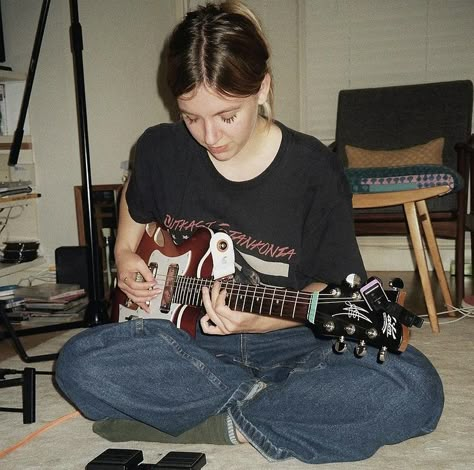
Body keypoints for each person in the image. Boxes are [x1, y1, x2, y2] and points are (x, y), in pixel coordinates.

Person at [55, 1, 443, 464]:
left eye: (226, 115)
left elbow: (334, 287)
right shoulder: (160, 148)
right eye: (191, 117)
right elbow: (133, 201)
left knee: (413, 388)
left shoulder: (313, 170)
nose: (209, 136)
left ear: (262, 88)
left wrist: (264, 320)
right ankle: (275, 411)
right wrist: (123, 253)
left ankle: (219, 419)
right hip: (184, 340)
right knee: (78, 363)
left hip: (294, 339)